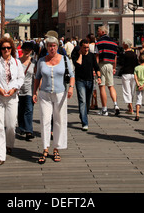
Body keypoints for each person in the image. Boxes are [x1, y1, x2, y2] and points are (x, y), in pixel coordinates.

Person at [33, 36, 75, 164]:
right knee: (45, 120)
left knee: (59, 121)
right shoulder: (41, 61)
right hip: (45, 94)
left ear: (57, 47)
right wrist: (34, 92)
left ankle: (56, 148)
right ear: (46, 47)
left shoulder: (65, 59)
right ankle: (45, 148)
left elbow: (72, 75)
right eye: (50, 46)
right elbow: (37, 77)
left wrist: (71, 88)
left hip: (60, 94)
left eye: (54, 46)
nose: (52, 48)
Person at [0, 36, 25, 165]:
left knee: (10, 125)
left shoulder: (16, 62)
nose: (6, 50)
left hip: (12, 97)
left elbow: (21, 78)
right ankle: (0, 155)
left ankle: (9, 144)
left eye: (8, 48)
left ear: (12, 49)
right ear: (0, 50)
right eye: (4, 48)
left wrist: (14, 89)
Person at [72, 39, 101, 131]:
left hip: (90, 81)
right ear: (80, 47)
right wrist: (80, 54)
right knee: (82, 101)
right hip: (80, 81)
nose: (86, 49)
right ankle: (85, 123)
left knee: (87, 102)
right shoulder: (76, 55)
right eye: (84, 47)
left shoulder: (91, 56)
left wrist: (99, 77)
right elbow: (78, 65)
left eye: (87, 47)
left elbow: (96, 67)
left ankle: (83, 114)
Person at [96, 25, 120, 116]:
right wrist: (114, 67)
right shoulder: (114, 43)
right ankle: (115, 104)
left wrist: (95, 68)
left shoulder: (98, 42)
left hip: (102, 64)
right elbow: (115, 57)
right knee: (111, 85)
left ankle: (104, 109)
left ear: (103, 32)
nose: (97, 33)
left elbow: (97, 56)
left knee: (102, 86)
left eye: (98, 31)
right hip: (110, 65)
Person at [17, 41, 36, 141]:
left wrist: (36, 91)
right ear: (22, 50)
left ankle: (29, 131)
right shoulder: (17, 62)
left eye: (29, 50)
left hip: (29, 89)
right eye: (25, 50)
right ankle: (21, 127)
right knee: (20, 110)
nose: (27, 51)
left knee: (29, 109)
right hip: (18, 90)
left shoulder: (34, 62)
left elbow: (36, 77)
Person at [119, 39, 138, 114]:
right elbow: (136, 63)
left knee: (126, 90)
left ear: (126, 45)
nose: (122, 45)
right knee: (132, 90)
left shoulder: (124, 54)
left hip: (126, 73)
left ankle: (130, 107)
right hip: (133, 74)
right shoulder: (134, 54)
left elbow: (121, 63)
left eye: (123, 44)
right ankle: (130, 105)